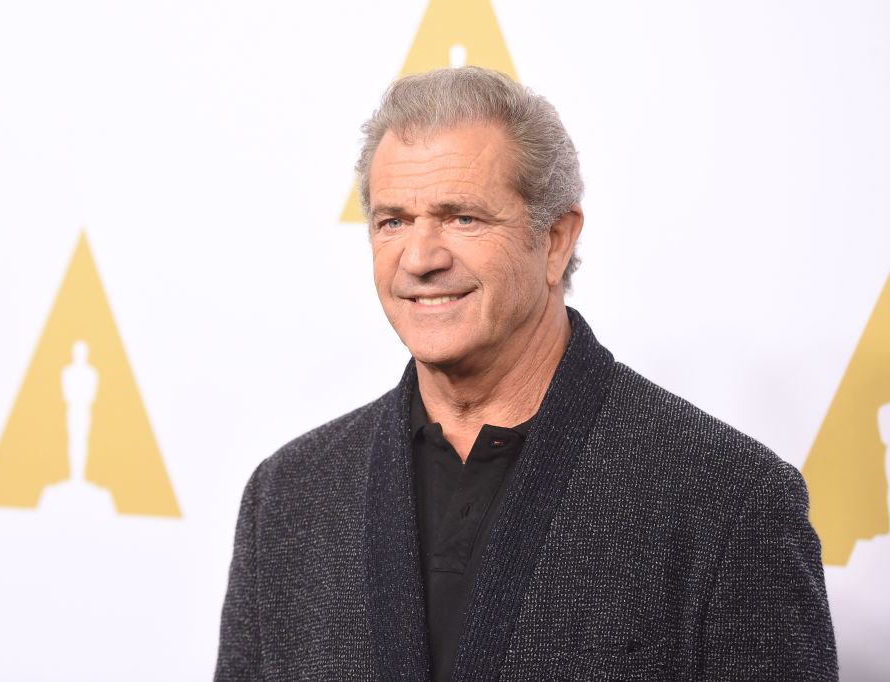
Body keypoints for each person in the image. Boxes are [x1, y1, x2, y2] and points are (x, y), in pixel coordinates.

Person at [215, 66, 837, 680]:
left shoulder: (729, 500)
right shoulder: (288, 498)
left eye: (463, 217)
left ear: (557, 240)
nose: (421, 258)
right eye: (393, 221)